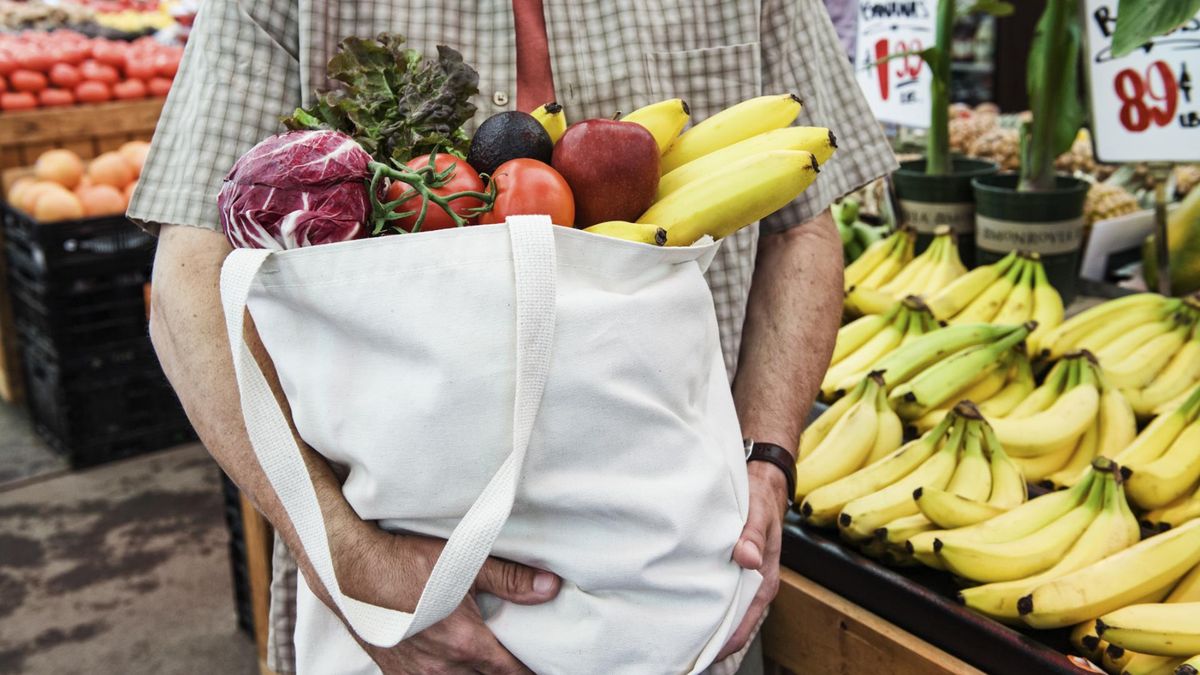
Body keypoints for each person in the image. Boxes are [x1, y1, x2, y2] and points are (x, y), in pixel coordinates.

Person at [130, 0, 896, 672]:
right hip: (387, 612)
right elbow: (191, 281)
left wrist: (766, 460)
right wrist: (348, 558)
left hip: (680, 588)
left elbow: (801, 227)